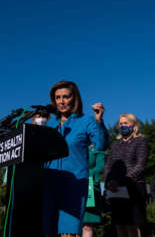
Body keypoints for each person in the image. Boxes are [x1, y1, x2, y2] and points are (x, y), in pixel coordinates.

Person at [43, 80, 109, 237]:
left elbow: (101, 144)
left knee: (68, 231)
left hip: (74, 182)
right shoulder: (49, 124)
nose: (62, 101)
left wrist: (99, 121)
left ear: (74, 98)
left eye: (66, 96)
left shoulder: (85, 121)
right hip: (50, 182)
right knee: (49, 229)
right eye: (58, 97)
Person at [104, 113, 149, 237]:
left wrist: (123, 181)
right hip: (115, 189)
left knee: (132, 225)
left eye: (126, 123)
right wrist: (109, 181)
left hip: (133, 187)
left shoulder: (141, 141)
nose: (122, 126)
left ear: (134, 126)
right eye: (120, 123)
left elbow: (140, 165)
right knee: (120, 225)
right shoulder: (115, 144)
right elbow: (108, 165)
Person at [82, 144, 106, 237]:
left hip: (91, 187)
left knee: (87, 226)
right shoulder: (75, 145)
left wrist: (85, 174)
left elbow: (100, 166)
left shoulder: (98, 148)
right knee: (72, 226)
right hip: (73, 185)